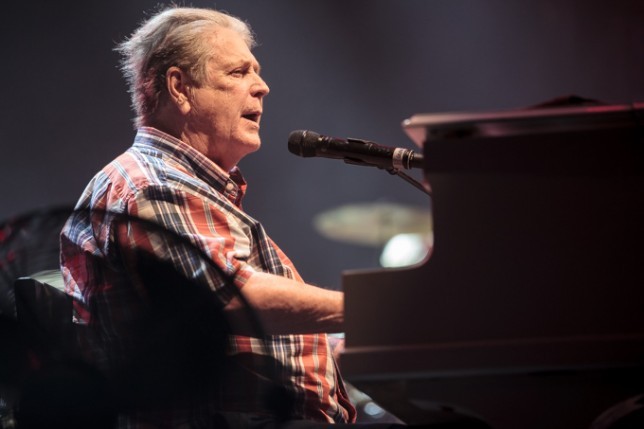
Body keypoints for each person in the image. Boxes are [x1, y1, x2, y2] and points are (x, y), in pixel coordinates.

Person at [59, 6, 357, 428]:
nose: (263, 87)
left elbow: (235, 342)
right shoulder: (152, 185)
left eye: (257, 72)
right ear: (179, 87)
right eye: (238, 72)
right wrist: (373, 310)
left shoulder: (177, 186)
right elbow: (228, 297)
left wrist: (348, 350)